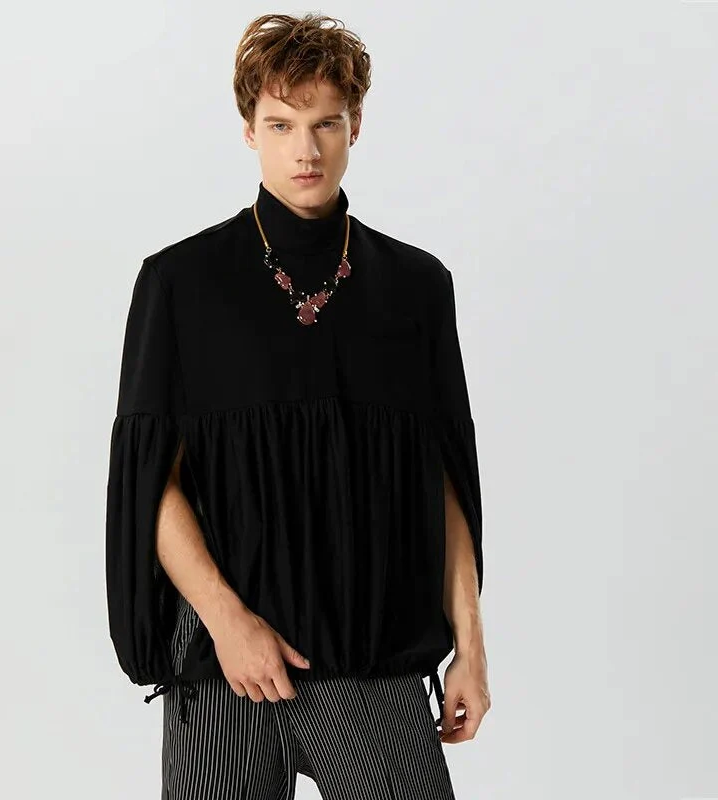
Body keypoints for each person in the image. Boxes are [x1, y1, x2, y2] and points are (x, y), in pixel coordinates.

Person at [105, 12, 490, 799]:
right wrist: (227, 621)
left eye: (326, 124)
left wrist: (472, 649)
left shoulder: (415, 288)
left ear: (356, 125)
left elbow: (443, 486)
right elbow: (151, 487)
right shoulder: (180, 283)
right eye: (282, 125)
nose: (305, 150)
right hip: (224, 667)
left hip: (370, 655)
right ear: (250, 129)